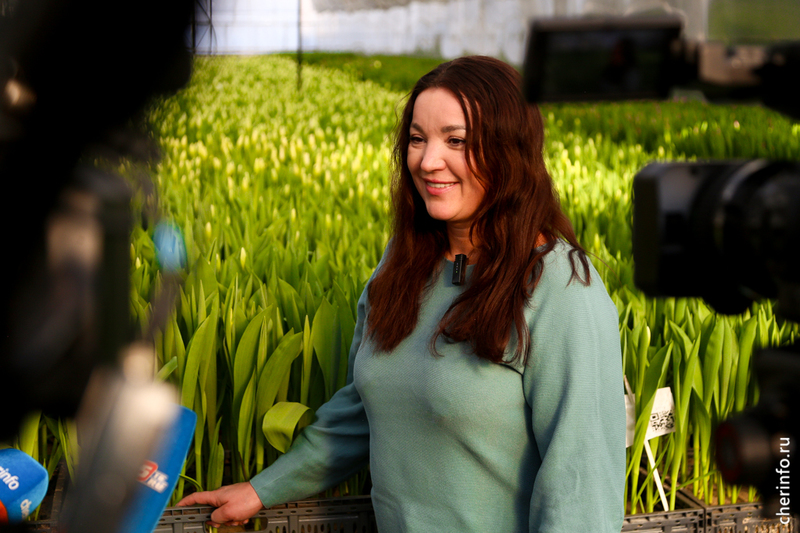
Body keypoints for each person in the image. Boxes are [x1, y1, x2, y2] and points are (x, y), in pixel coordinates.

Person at [178, 55, 626, 532]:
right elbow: (367, 409)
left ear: (509, 150)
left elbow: (581, 488)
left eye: (456, 141)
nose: (428, 161)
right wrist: (262, 488)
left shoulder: (559, 287)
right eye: (417, 139)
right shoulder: (404, 265)